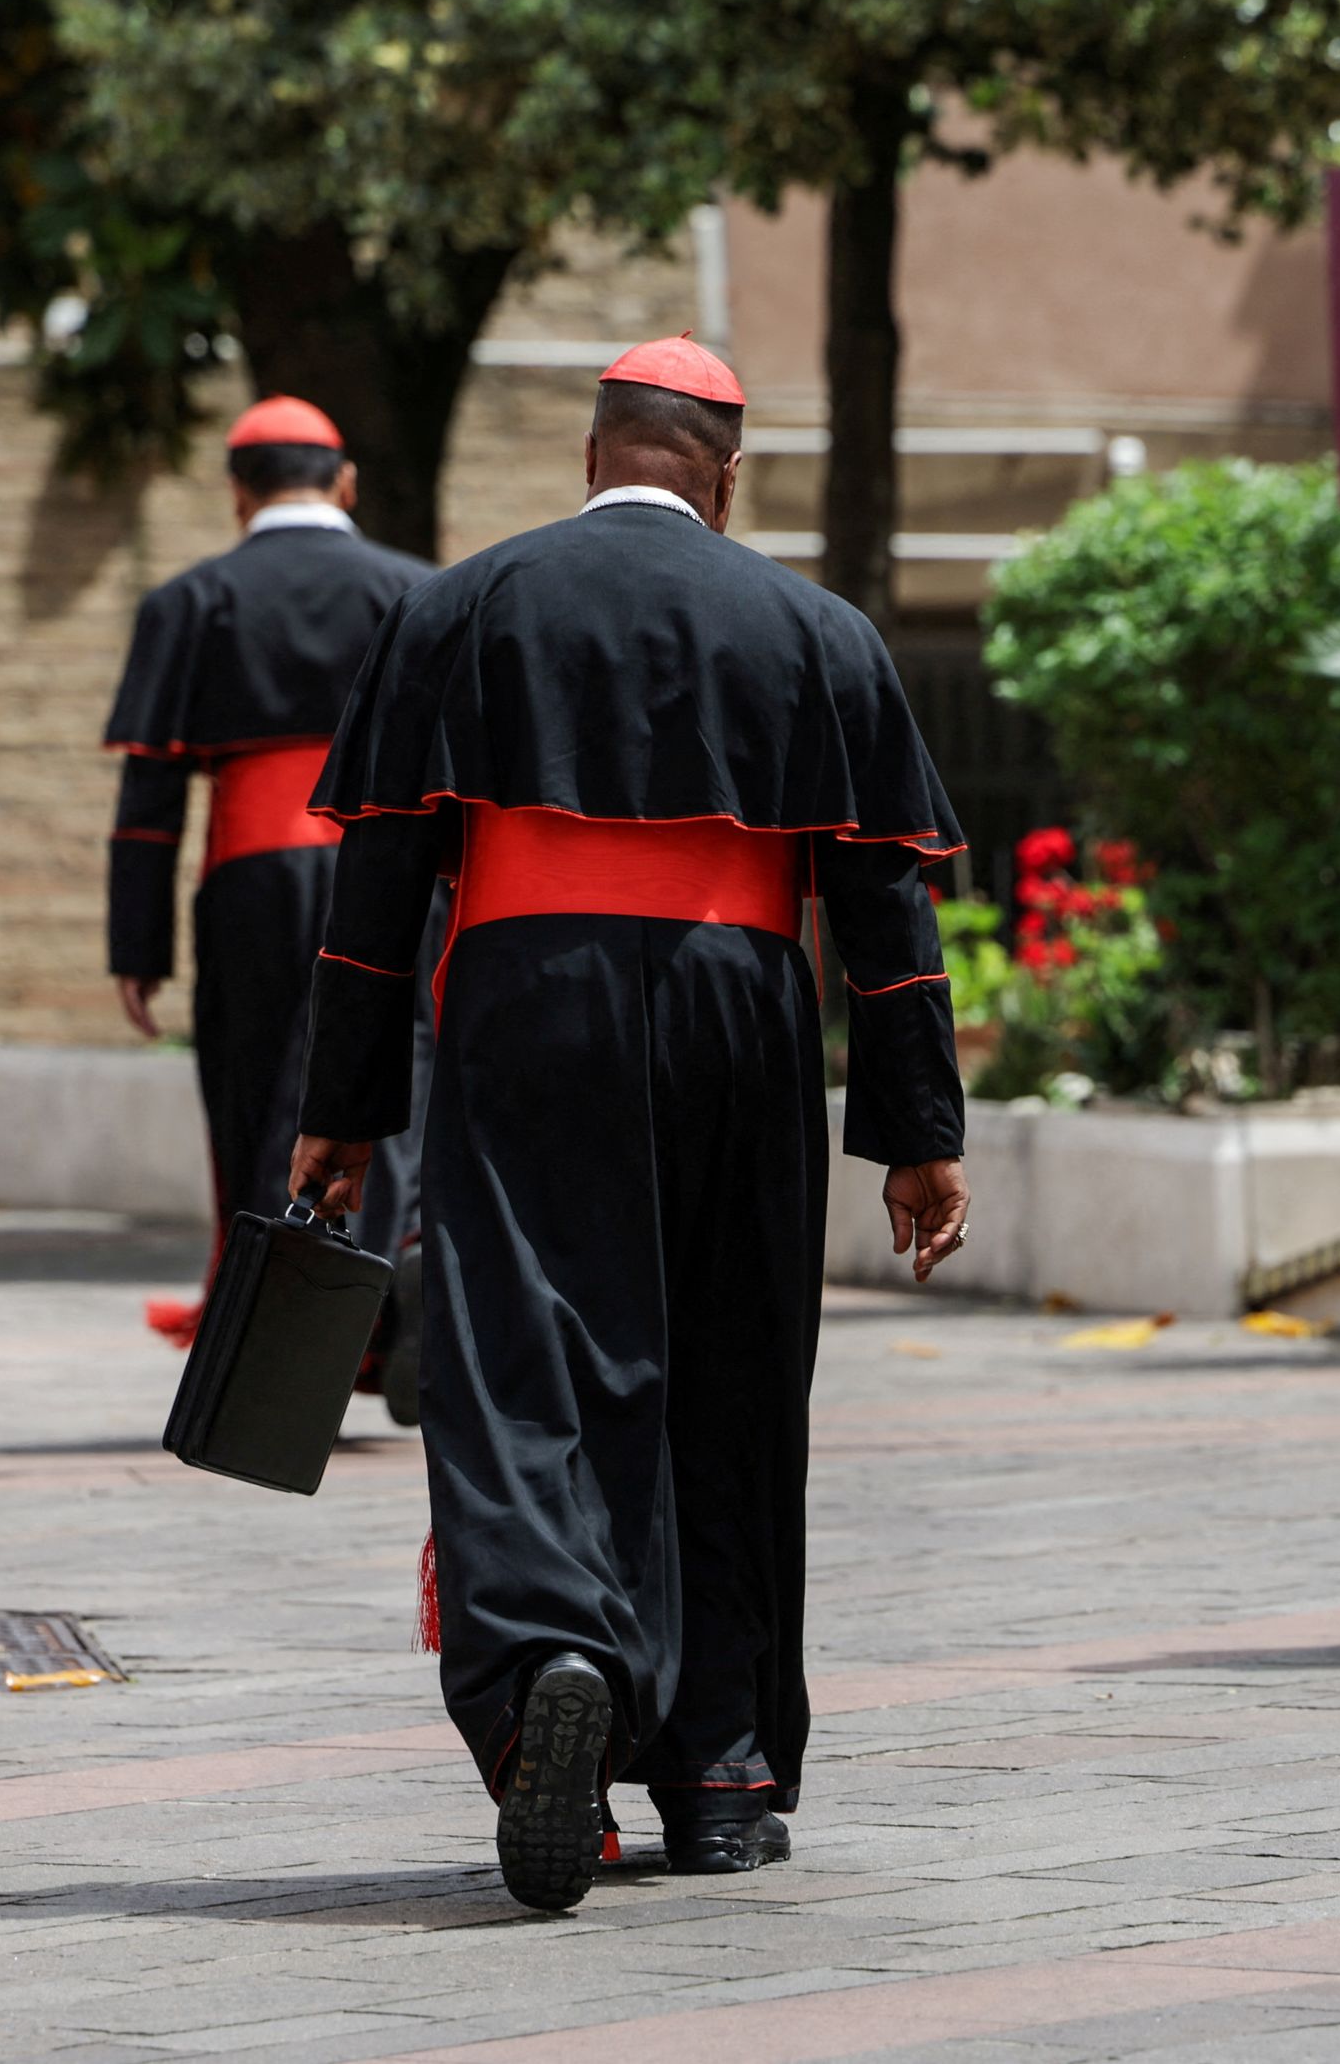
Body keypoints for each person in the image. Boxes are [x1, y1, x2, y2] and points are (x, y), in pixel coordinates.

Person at [288, 336, 971, 1911]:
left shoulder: (458, 608)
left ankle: (553, 1672)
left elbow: (376, 895)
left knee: (524, 1357)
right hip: (742, 1006)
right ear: (726, 476)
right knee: (732, 1367)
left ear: (592, 456)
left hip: (526, 1000)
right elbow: (886, 909)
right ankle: (721, 1776)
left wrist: (343, 1114)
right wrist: (919, 1131)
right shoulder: (819, 630)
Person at [103, 396, 435, 1348]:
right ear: (346, 483)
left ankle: (276, 1322)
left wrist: (139, 948)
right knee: (398, 1070)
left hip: (250, 876)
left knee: (258, 1091)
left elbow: (150, 794)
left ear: (237, 493)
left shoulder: (189, 601)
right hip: (392, 870)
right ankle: (396, 1273)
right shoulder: (415, 592)